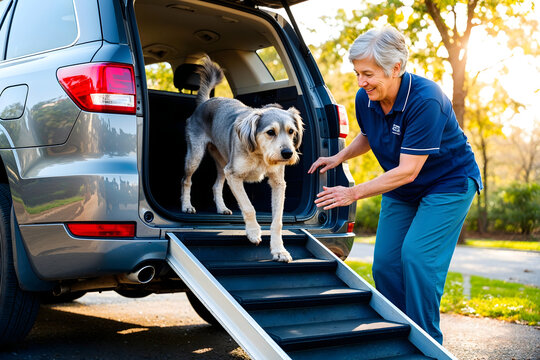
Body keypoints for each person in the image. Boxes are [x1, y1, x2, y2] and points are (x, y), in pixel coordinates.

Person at [308, 26, 482, 344]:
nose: (361, 82)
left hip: (447, 183)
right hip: (403, 187)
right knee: (386, 264)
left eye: (368, 74)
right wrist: (339, 157)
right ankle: (402, 334)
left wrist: (353, 192)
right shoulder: (367, 97)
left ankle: (427, 342)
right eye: (358, 73)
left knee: (416, 258)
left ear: (396, 68)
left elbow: (408, 170)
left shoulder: (426, 100)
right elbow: (368, 133)